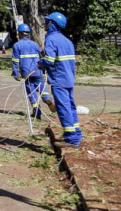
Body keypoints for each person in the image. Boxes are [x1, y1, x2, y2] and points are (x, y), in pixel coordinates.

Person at [39, 11, 82, 147]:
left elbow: (50, 60)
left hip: (59, 79)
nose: (45, 24)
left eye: (47, 22)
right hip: (69, 79)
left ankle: (72, 139)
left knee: (63, 108)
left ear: (53, 24)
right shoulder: (67, 41)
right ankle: (76, 133)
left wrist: (40, 64)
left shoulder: (51, 39)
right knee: (70, 107)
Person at [12, 23, 55, 119]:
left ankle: (36, 112)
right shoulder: (35, 44)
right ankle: (47, 99)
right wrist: (43, 68)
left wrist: (15, 74)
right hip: (37, 70)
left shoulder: (17, 45)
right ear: (28, 34)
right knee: (42, 88)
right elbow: (41, 57)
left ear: (19, 34)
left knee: (31, 92)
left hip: (26, 73)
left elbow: (15, 61)